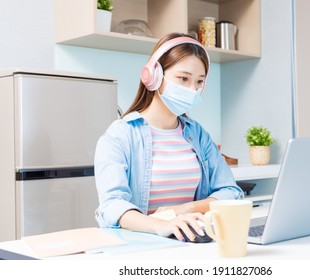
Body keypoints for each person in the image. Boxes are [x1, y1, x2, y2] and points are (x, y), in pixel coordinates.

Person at [94, 33, 243, 242]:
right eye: (183, 79)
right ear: (153, 76)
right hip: (142, 245)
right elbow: (112, 206)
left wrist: (187, 208)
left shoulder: (198, 134)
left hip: (192, 242)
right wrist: (161, 225)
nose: (192, 90)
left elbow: (231, 192)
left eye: (199, 82)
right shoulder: (120, 135)